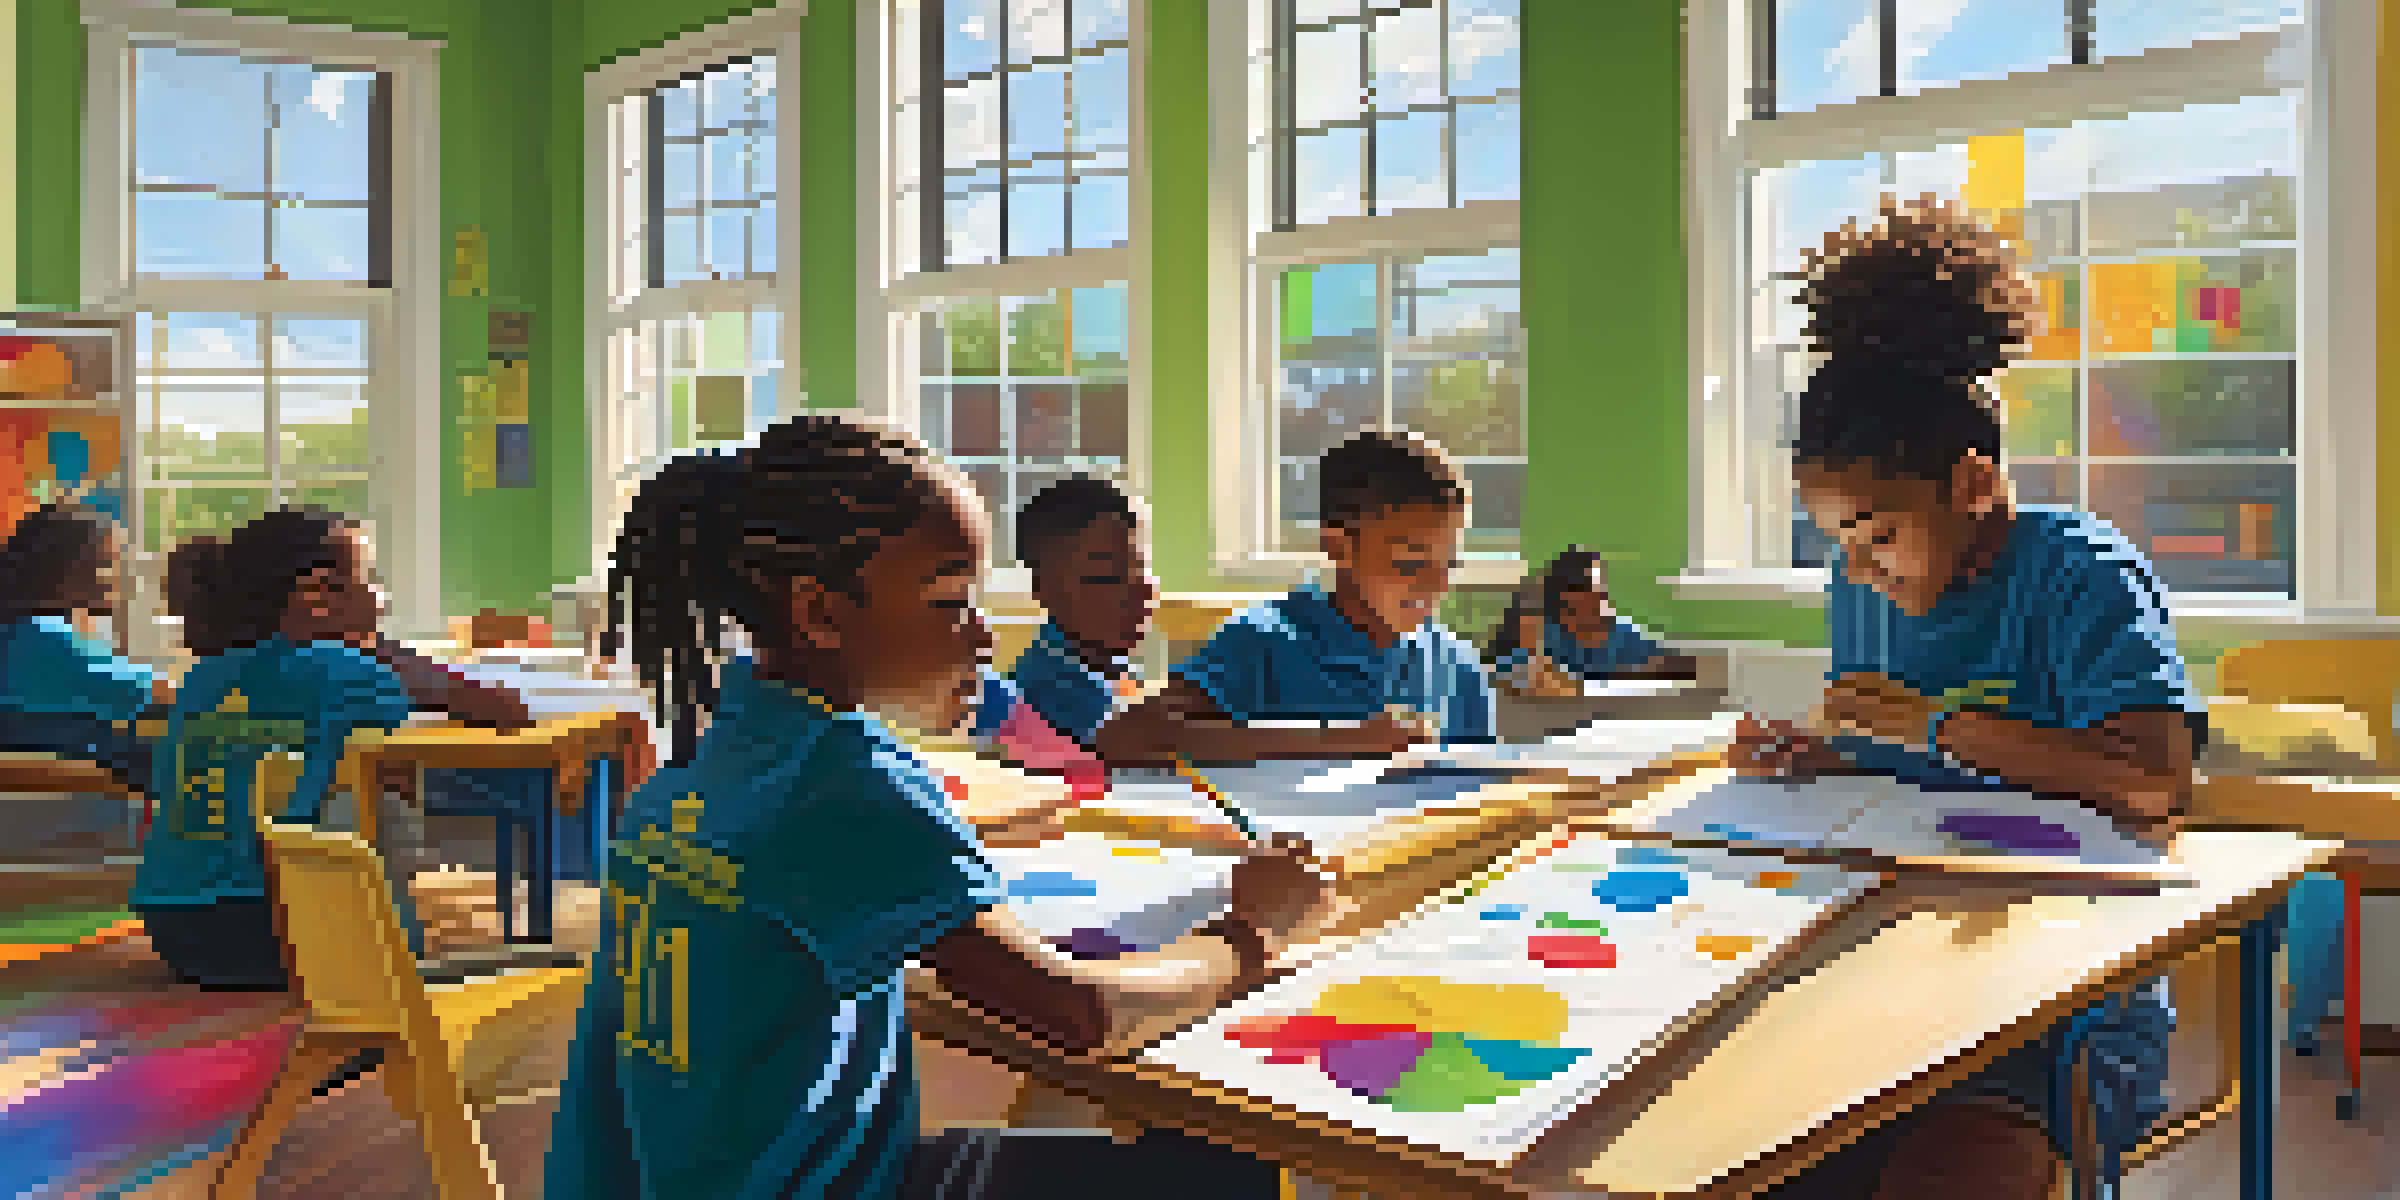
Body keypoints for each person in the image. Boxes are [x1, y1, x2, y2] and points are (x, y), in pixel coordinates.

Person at [545, 417, 1331, 1200]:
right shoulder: (850, 782)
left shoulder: (704, 764)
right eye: (950, 601)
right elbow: (1083, 1013)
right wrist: (1254, 929)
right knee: (1235, 1168)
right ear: (819, 613)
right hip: (838, 1184)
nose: (984, 637)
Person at [1734, 197, 2198, 1200]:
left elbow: (2156, 785)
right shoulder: (1865, 588)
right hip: (1880, 969)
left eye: (1878, 535)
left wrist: (1939, 725)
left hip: (2053, 1002)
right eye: (1837, 545)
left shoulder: (2081, 572)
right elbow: (1901, 772)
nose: (1860, 573)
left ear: (1974, 484)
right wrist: (1824, 755)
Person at [133, 507, 531, 993]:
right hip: (277, 926)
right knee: (388, 835)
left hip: (177, 929)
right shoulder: (345, 671)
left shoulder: (202, 676)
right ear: (319, 592)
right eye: (369, 579)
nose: (380, 595)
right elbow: (507, 710)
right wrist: (370, 642)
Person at [1098, 430, 1492, 765]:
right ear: (1338, 547)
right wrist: (1337, 742)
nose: (1437, 585)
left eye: (1449, 564)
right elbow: (1125, 738)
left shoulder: (1456, 665)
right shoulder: (1264, 640)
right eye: (1410, 562)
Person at [0, 502, 167, 795]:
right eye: (106, 563)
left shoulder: (19, 632)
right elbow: (160, 693)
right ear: (58, 571)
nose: (118, 577)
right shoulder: (46, 637)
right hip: (78, 796)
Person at [1008, 475, 1158, 747]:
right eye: (1106, 576)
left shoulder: (1114, 669)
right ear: (1044, 589)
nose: (1138, 591)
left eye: (1142, 569)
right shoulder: (1040, 701)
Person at [1487, 547, 1696, 693]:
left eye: (1602, 586)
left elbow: (1670, 666)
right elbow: (1505, 676)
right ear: (1568, 596)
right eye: (1595, 587)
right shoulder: (1541, 633)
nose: (1603, 595)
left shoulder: (1622, 633)